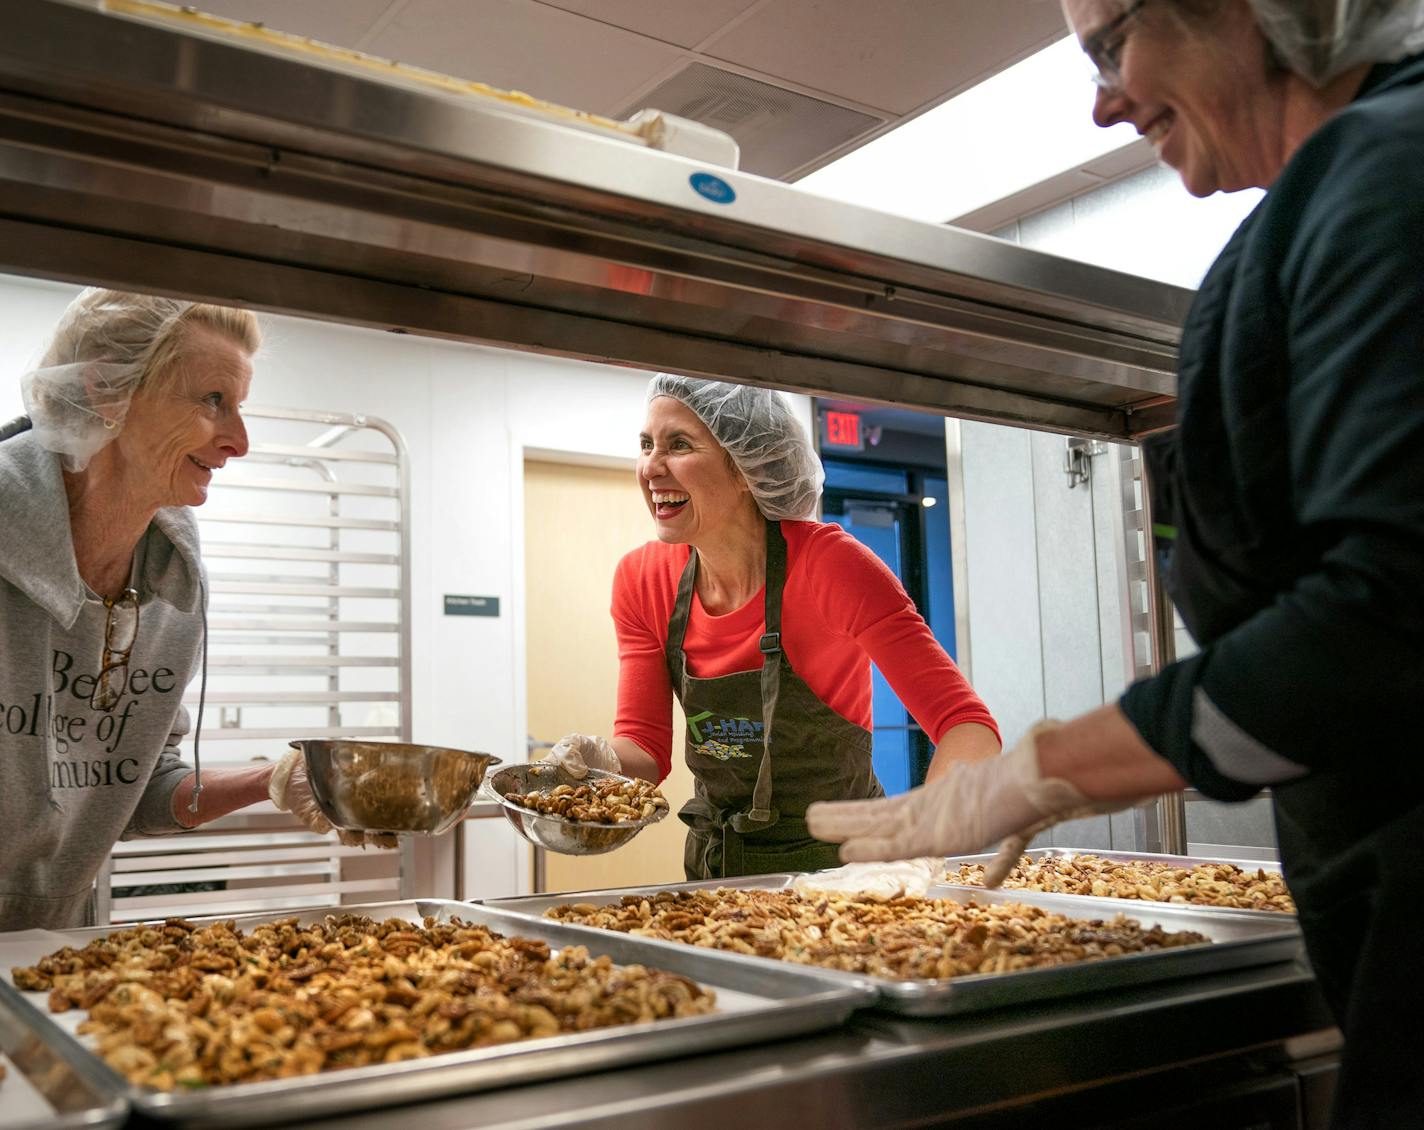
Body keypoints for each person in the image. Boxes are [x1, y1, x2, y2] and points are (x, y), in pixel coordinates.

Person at [807, 2, 1424, 1125]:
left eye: (1109, 45)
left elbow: (1381, 626)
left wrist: (1048, 764)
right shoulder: (1323, 200)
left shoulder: (1386, 171)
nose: (1101, 102)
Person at [1, 288, 383, 932]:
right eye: (213, 401)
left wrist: (275, 779)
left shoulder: (169, 589)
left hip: (45, 951)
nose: (239, 440)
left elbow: (132, 788)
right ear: (105, 391)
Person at [545, 374, 1000, 879]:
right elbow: (647, 751)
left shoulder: (834, 568)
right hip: (717, 875)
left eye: (679, 445)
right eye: (646, 444)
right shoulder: (642, 580)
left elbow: (967, 727)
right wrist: (600, 759)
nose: (651, 466)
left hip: (846, 877)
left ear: (745, 467)